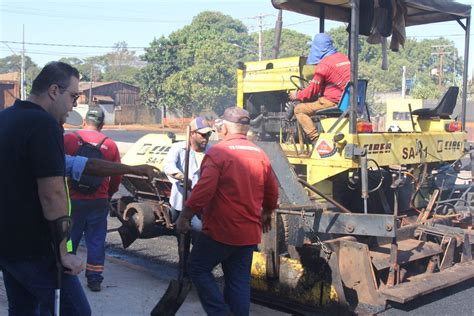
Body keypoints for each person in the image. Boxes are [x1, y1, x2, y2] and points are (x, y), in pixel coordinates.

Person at [0, 61, 91, 315]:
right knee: (77, 311)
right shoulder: (44, 125)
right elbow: (52, 194)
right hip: (36, 250)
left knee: (24, 310)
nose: (74, 105)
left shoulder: (5, 117)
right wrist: (63, 253)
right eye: (73, 96)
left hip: (8, 246)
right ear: (54, 91)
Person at [176, 106, 279, 316]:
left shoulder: (218, 153)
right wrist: (267, 212)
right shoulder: (260, 154)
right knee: (238, 282)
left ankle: (220, 312)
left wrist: (185, 216)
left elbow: (203, 191)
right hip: (248, 234)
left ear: (224, 129)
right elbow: (272, 190)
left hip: (221, 231)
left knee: (197, 267)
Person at [64, 107, 121, 292]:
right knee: (96, 240)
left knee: (70, 237)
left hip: (73, 200)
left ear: (84, 121)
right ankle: (95, 279)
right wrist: (109, 194)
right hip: (98, 201)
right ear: (102, 124)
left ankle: (66, 270)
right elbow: (117, 175)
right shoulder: (110, 144)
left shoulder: (70, 139)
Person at [288, 33, 351, 143]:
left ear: (318, 48)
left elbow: (312, 90)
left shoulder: (324, 64)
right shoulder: (344, 58)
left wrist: (297, 95)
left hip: (333, 102)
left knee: (299, 110)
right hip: (348, 101)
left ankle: (316, 140)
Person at [163, 116, 214, 233]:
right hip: (181, 199)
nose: (206, 138)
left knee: (199, 229)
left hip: (202, 202)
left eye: (208, 135)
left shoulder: (212, 152)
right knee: (180, 233)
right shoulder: (178, 148)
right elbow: (168, 166)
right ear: (192, 133)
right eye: (202, 135)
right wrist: (183, 178)